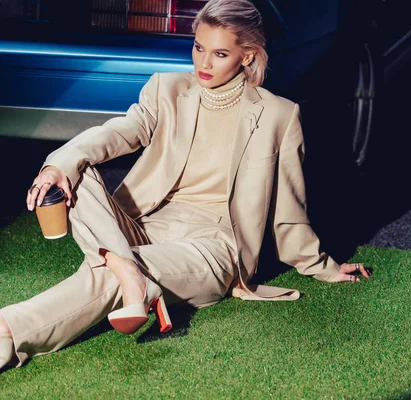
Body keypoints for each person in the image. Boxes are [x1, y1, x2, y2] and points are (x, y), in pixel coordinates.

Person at [0, 0, 371, 371]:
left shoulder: (279, 115)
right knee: (75, 172)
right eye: (198, 47)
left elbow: (289, 207)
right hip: (142, 228)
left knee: (110, 276)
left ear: (247, 56)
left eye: (220, 53)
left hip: (212, 246)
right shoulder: (166, 89)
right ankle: (127, 269)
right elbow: (119, 131)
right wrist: (57, 166)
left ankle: (8, 330)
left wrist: (322, 266)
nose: (204, 64)